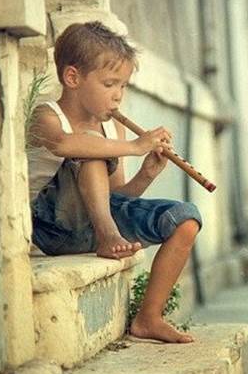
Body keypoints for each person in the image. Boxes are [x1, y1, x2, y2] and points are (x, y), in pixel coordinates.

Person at [27, 21, 202, 343]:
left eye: (123, 86)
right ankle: (109, 236)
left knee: (185, 220)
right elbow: (65, 145)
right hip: (48, 230)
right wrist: (136, 147)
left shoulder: (114, 131)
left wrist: (146, 172)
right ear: (73, 78)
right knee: (89, 143)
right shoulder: (45, 116)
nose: (118, 96)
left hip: (92, 223)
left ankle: (149, 317)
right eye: (110, 84)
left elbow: (113, 196)